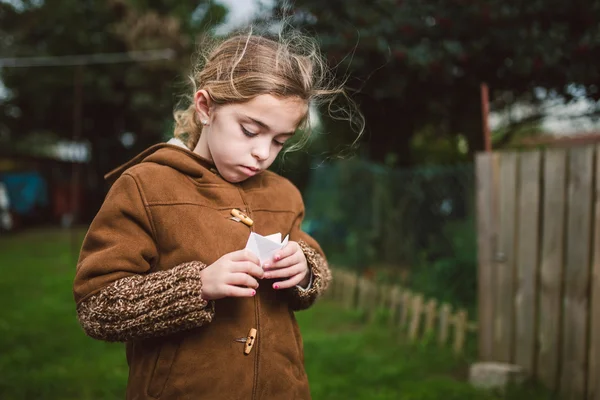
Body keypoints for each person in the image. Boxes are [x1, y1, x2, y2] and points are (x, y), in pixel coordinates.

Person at [73, 26, 362, 400]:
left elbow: (316, 268)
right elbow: (98, 307)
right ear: (206, 107)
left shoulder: (284, 194)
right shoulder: (146, 186)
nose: (263, 153)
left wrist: (305, 269)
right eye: (250, 130)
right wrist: (197, 287)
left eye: (279, 141)